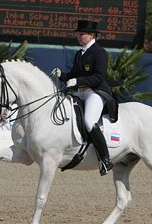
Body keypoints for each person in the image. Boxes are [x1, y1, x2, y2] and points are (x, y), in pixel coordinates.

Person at [51, 20, 118, 176]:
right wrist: (62, 75)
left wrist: (79, 81)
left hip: (96, 92)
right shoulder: (79, 53)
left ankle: (106, 160)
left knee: (89, 121)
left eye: (82, 34)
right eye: (78, 34)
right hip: (80, 92)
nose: (78, 36)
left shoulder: (99, 52)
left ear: (92, 35)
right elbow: (73, 75)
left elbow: (99, 77)